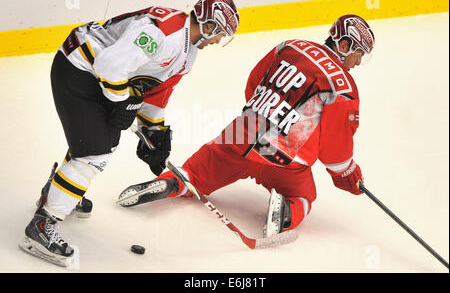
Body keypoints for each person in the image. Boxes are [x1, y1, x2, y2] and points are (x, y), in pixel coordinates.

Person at [19, 0, 240, 267]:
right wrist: (123, 103)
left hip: (97, 79)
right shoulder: (164, 32)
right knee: (95, 152)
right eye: (220, 33)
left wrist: (155, 133)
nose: (219, 40)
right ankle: (41, 226)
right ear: (208, 25)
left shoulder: (188, 53)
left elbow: (155, 93)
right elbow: (109, 65)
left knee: (95, 143)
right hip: (77, 68)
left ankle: (56, 191)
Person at [118, 14, 375, 240]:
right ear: (344, 45)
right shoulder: (344, 87)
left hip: (241, 135)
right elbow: (334, 149)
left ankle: (173, 182)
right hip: (284, 159)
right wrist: (347, 175)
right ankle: (285, 212)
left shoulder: (290, 46)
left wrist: (261, 117)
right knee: (305, 196)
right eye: (359, 54)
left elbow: (254, 83)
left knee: (195, 173)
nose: (358, 63)